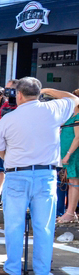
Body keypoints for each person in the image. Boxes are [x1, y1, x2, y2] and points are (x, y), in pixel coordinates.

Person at [0, 78, 79, 275]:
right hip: (45, 174)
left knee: (14, 224)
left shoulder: (8, 118)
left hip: (16, 174)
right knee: (44, 225)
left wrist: (12, 161)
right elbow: (74, 99)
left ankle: (13, 268)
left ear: (19, 95)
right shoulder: (53, 109)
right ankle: (42, 271)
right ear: (38, 93)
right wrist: (49, 90)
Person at [58, 89, 79, 224]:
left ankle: (70, 212)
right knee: (71, 183)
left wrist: (68, 155)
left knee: (74, 183)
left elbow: (77, 138)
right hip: (67, 155)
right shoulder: (71, 115)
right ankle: (70, 212)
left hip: (73, 155)